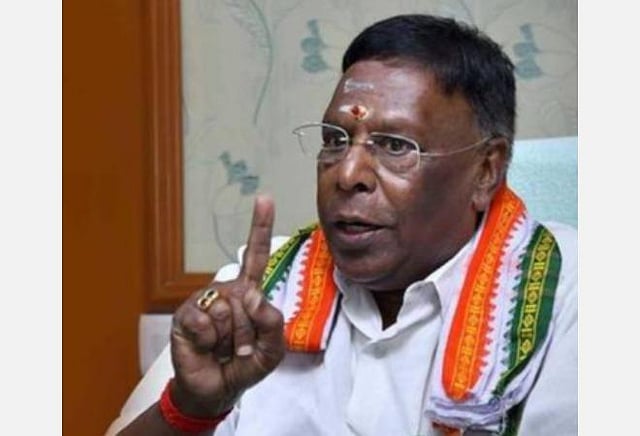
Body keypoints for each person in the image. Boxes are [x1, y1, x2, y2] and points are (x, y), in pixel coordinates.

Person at [107, 13, 577, 436]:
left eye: (395, 146)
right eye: (335, 140)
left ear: (486, 171)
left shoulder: (571, 298)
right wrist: (191, 409)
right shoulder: (255, 295)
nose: (347, 174)